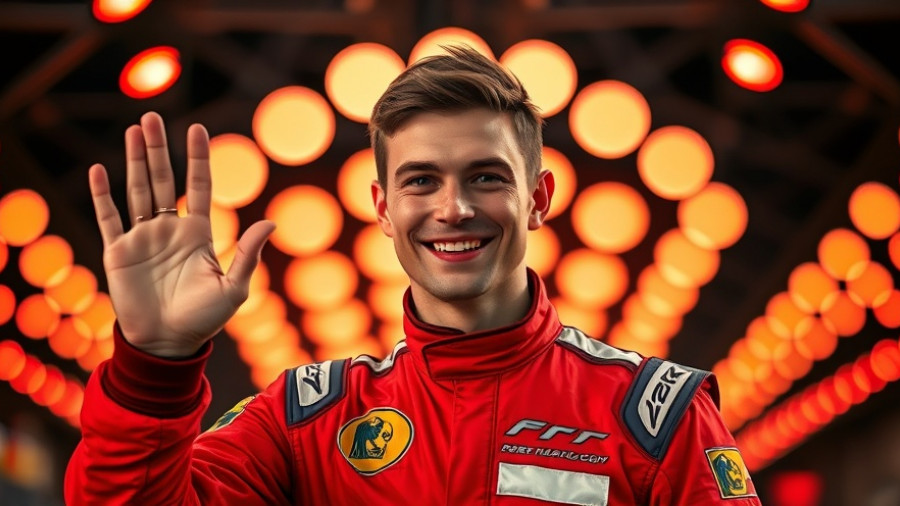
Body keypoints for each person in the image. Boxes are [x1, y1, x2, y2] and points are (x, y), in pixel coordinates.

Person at [65, 46, 761, 505]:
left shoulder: (655, 414)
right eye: (420, 181)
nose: (452, 209)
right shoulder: (306, 417)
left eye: (485, 177)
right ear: (383, 208)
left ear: (539, 199)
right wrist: (155, 366)